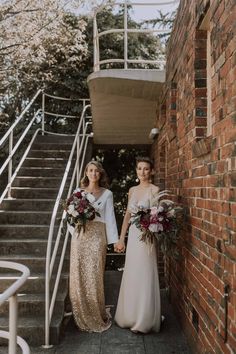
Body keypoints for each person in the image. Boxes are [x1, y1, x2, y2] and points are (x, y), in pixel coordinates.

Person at [69, 160, 119, 332]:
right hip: (80, 236)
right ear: (86, 172)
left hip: (98, 236)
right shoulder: (77, 192)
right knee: (78, 273)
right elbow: (70, 216)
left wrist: (113, 241)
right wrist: (74, 233)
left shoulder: (107, 194)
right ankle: (81, 313)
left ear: (101, 174)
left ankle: (96, 313)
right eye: (90, 170)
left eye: (97, 171)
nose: (93, 174)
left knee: (94, 275)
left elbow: (110, 218)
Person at [114, 156, 161, 333]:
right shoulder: (132, 190)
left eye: (146, 169)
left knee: (145, 272)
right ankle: (129, 315)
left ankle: (144, 318)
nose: (142, 172)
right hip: (134, 237)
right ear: (136, 171)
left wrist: (151, 227)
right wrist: (121, 238)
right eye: (140, 168)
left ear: (152, 171)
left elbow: (156, 217)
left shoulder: (155, 190)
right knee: (132, 272)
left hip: (147, 237)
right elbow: (127, 215)